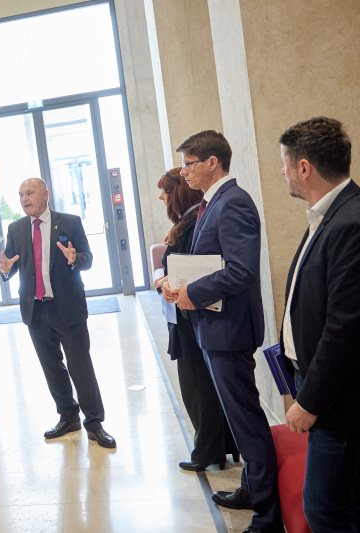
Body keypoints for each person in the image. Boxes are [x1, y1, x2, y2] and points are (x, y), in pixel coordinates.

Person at [163, 131, 281, 533]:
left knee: (247, 423)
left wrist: (192, 293)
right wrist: (178, 285)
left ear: (212, 162)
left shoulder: (233, 203)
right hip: (215, 329)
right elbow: (211, 262)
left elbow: (241, 270)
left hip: (229, 331)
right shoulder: (210, 204)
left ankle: (267, 516)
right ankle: (250, 490)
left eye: (189, 163)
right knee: (238, 420)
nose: (184, 171)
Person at [278, 117, 360, 532]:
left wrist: (309, 401)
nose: (283, 172)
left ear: (304, 167)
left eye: (286, 164)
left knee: (324, 510)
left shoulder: (351, 221)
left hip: (339, 404)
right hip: (324, 391)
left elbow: (346, 326)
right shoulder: (329, 214)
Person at [0, 178, 115, 449]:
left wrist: (75, 259)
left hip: (68, 308)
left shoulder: (70, 222)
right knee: (52, 367)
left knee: (80, 366)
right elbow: (11, 264)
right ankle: (68, 416)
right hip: (35, 310)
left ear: (45, 194)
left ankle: (95, 422)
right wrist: (5, 270)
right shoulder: (15, 228)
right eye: (20, 194)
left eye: (29, 193)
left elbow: (88, 258)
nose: (24, 198)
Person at [154, 168, 239, 472]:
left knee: (197, 386)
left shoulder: (193, 223)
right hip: (188, 311)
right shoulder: (190, 221)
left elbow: (195, 270)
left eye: (165, 190)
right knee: (203, 384)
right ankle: (220, 446)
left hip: (191, 314)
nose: (162, 197)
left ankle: (206, 452)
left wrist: (168, 282)